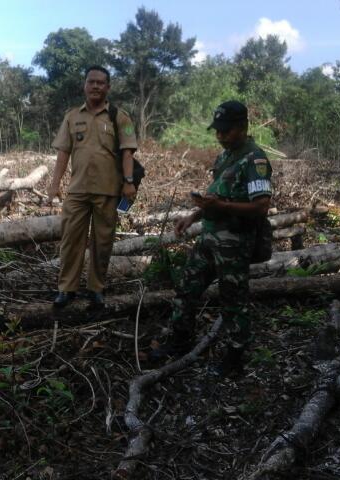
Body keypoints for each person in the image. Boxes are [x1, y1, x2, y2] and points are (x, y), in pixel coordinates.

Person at [151, 100, 272, 377]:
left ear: (242, 128)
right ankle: (181, 341)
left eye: (226, 131)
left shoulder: (255, 159)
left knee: (233, 301)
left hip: (235, 244)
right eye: (217, 130)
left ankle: (234, 357)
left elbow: (261, 206)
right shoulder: (224, 157)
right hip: (209, 239)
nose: (220, 136)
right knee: (186, 288)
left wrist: (223, 208)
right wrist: (193, 216)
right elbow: (216, 197)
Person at [47, 66, 138, 310]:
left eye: (101, 83)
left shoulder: (120, 116)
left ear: (108, 87)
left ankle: (96, 289)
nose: (96, 86)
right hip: (77, 191)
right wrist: (55, 185)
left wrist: (129, 183)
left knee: (103, 242)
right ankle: (66, 289)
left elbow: (127, 151)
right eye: (91, 82)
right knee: (70, 240)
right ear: (84, 86)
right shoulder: (72, 116)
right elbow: (63, 153)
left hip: (108, 191)